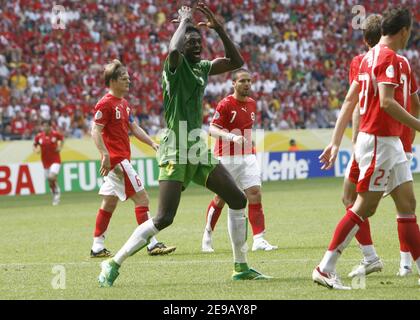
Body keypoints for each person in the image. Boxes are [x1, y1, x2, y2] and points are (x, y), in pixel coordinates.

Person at [98, 3, 271, 287]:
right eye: (191, 41)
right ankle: (113, 262)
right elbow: (173, 51)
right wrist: (185, 22)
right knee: (165, 217)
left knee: (238, 199)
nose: (196, 45)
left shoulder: (202, 67)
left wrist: (219, 30)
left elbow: (236, 61)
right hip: (176, 146)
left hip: (196, 146)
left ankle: (241, 267)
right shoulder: (174, 67)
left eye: (199, 41)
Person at [313, 6, 420, 289]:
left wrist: (335, 142)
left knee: (407, 204)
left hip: (388, 142)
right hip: (378, 140)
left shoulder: (365, 59)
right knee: (364, 206)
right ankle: (325, 267)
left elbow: (350, 101)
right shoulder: (390, 58)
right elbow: (386, 102)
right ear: (404, 31)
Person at [343, 14, 420, 278]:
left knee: (354, 199)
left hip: (375, 139)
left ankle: (362, 258)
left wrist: (350, 139)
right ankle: (405, 264)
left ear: (366, 39)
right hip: (398, 139)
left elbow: (354, 106)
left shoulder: (362, 61)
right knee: (405, 205)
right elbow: (413, 101)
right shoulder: (403, 62)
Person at [90, 59, 176, 258]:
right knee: (142, 198)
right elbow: (95, 129)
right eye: (123, 78)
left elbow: (134, 127)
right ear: (112, 81)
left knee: (109, 203)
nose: (128, 81)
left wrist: (152, 143)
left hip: (118, 159)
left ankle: (97, 246)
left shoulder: (124, 104)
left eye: (128, 77)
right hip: (118, 161)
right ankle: (152, 243)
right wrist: (105, 155)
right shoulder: (105, 103)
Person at [201, 68, 278, 252]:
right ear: (233, 84)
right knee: (221, 199)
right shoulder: (225, 104)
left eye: (249, 81)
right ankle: (207, 236)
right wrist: (231, 137)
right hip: (226, 157)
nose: (246, 84)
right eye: (242, 81)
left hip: (247, 156)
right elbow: (212, 129)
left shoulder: (252, 103)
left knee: (254, 193)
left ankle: (259, 239)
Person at [33, 120, 63, 205]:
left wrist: (60, 147)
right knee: (50, 181)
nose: (45, 128)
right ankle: (55, 193)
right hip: (45, 162)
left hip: (56, 160)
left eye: (46, 126)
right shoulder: (39, 136)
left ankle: (57, 192)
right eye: (43, 126)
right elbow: (34, 144)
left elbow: (62, 139)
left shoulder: (55, 134)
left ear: (50, 127)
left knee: (51, 177)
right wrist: (36, 150)